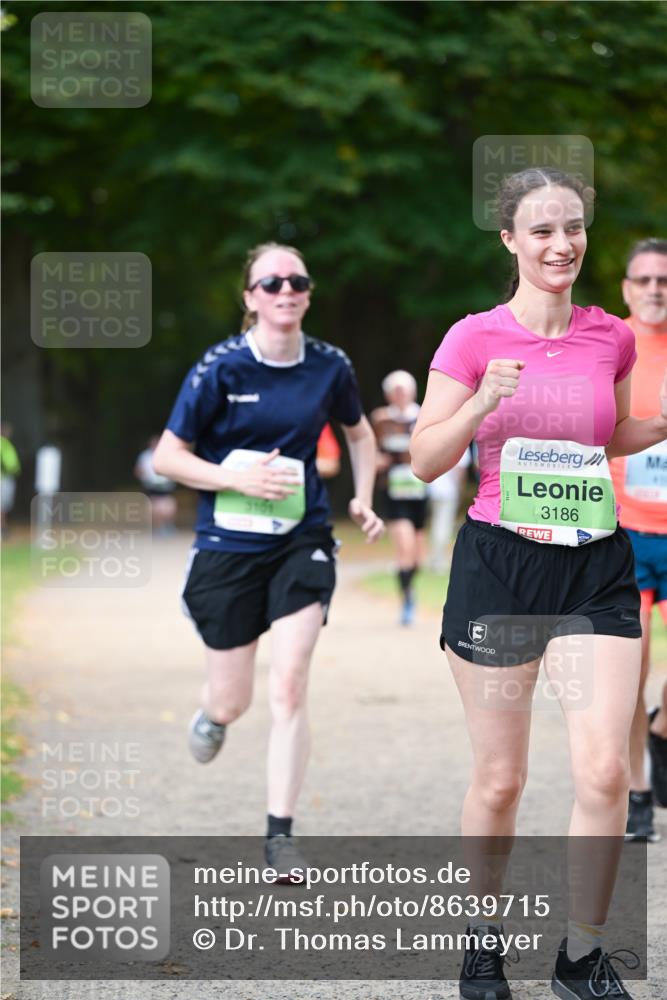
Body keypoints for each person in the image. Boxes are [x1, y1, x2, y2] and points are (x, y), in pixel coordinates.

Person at [411, 167, 667, 1000]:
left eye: (573, 229)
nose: (561, 244)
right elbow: (422, 459)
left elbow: (611, 431)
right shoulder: (471, 339)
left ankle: (580, 956)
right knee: (500, 779)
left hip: (593, 565)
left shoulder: (610, 337)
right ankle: (481, 944)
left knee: (600, 773)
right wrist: (480, 401)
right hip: (501, 567)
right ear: (510, 241)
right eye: (542, 231)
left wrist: (657, 425)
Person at [153, 242, 383, 874]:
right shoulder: (221, 367)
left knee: (288, 684)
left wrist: (361, 496)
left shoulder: (330, 366)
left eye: (297, 281)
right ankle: (213, 713)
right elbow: (168, 458)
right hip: (228, 548)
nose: (286, 290)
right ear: (250, 297)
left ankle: (279, 832)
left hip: (300, 541)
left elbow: (359, 434)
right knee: (235, 701)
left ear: (307, 293)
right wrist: (235, 481)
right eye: (271, 282)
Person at [609, 238, 667, 841]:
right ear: (627, 288)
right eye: (644, 279)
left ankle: (661, 731)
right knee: (633, 668)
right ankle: (640, 791)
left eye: (665, 280)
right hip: (627, 530)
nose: (655, 288)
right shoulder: (611, 346)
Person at [371, 370, 427, 625]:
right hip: (393, 491)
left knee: (417, 555)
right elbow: (369, 450)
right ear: (388, 394)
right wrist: (377, 461)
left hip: (420, 489)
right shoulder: (381, 419)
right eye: (395, 390)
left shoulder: (424, 416)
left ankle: (410, 586)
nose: (400, 394)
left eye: (404, 389)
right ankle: (407, 600)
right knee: (403, 547)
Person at [427, 448, 471, 573]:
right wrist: (459, 488)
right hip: (449, 490)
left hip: (434, 489)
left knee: (436, 524)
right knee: (444, 525)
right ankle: (438, 559)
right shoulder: (462, 441)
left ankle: (435, 557)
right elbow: (460, 470)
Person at [134, 435, 178, 535]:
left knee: (168, 506)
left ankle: (168, 525)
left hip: (166, 485)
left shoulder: (167, 455)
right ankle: (158, 527)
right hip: (151, 485)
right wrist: (144, 477)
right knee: (154, 507)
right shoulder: (145, 456)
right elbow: (138, 470)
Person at [0, 423, 21, 539]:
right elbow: (7, 462)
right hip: (3, 478)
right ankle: (2, 528)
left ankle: (3, 527)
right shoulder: (2, 443)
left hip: (7, 478)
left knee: (4, 505)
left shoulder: (6, 443)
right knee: (2, 505)